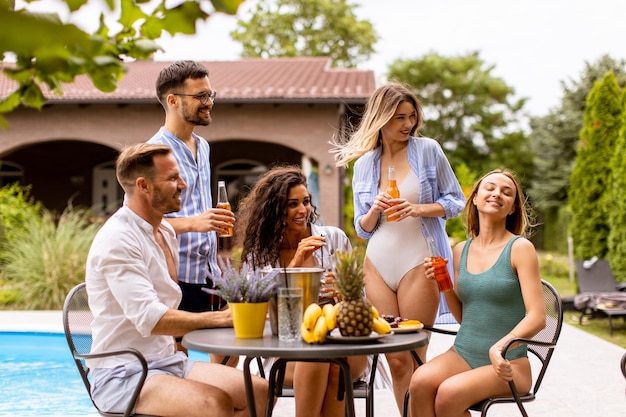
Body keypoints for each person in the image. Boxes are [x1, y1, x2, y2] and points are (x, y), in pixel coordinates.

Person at [85, 143, 267, 417]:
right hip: (122, 374)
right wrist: (222, 319)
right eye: (172, 178)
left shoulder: (163, 231)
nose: (183, 184)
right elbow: (151, 319)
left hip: (166, 362)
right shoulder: (118, 239)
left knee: (259, 391)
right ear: (143, 186)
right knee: (214, 403)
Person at [331, 82, 465, 411]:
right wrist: (374, 210)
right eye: (398, 118)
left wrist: (418, 208)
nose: (407, 124)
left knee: (415, 358)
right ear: (381, 119)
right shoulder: (364, 164)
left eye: (411, 116)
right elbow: (363, 229)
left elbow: (456, 201)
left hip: (419, 261)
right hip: (377, 264)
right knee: (395, 361)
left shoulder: (428, 150)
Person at [408, 169, 546, 417]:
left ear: (512, 208)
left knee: (448, 394)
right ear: (475, 198)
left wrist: (499, 348)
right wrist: (444, 283)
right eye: (490, 188)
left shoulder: (520, 248)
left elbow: (538, 317)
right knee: (419, 382)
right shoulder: (461, 250)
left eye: (507, 192)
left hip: (509, 362)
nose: (497, 194)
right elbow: (465, 317)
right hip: (464, 353)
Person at [236, 165, 368, 417]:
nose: (302, 210)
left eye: (306, 201)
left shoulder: (333, 239)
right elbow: (256, 309)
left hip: (344, 344)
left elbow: (360, 302)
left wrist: (344, 295)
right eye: (291, 204)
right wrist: (295, 264)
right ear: (274, 210)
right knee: (319, 358)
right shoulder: (259, 255)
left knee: (329, 359)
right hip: (284, 353)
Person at [148, 60, 235, 357]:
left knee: (229, 347)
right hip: (175, 276)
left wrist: (220, 242)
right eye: (200, 96)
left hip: (210, 272)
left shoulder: (204, 146)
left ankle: (217, 397)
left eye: (210, 95)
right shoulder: (154, 154)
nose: (208, 103)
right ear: (173, 101)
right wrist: (195, 223)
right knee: (176, 356)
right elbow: (143, 225)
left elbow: (201, 209)